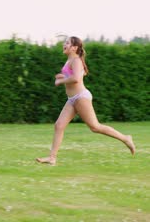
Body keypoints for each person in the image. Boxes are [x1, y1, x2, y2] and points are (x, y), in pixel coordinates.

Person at [36, 36, 135, 165]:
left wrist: (61, 80)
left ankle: (125, 138)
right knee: (59, 125)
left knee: (95, 127)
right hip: (72, 99)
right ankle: (52, 158)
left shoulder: (76, 60)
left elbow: (76, 78)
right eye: (64, 42)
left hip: (81, 97)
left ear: (74, 47)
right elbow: (80, 74)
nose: (63, 45)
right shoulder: (70, 60)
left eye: (67, 43)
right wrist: (63, 76)